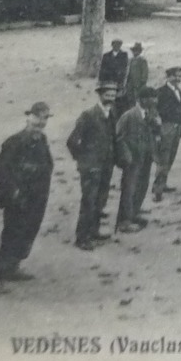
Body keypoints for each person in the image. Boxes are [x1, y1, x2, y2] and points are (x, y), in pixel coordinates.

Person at [0, 101, 53, 300]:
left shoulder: (42, 139)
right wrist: (14, 192)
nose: (41, 122)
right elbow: (0, 170)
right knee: (12, 235)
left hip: (37, 197)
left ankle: (13, 267)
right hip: (18, 199)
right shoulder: (14, 142)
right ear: (29, 117)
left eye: (45, 118)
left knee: (28, 232)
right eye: (38, 117)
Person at [66, 84, 117, 250]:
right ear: (100, 95)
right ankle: (82, 237)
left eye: (113, 95)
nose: (111, 98)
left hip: (106, 165)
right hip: (91, 167)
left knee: (100, 199)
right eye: (108, 95)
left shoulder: (111, 114)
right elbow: (72, 141)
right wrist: (84, 160)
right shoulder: (88, 115)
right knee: (89, 201)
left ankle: (94, 231)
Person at [113, 88, 154, 233]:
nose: (153, 101)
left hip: (146, 157)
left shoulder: (150, 114)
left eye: (154, 98)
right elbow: (117, 136)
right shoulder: (129, 115)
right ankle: (124, 221)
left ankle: (134, 214)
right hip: (132, 159)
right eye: (150, 98)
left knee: (142, 186)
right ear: (141, 99)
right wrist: (126, 155)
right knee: (129, 189)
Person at [153, 67, 181, 199]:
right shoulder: (161, 92)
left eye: (179, 76)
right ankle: (158, 189)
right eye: (175, 76)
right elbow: (156, 110)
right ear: (168, 77)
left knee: (171, 157)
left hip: (177, 127)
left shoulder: (178, 91)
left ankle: (163, 183)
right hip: (167, 127)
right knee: (164, 158)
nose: (178, 79)